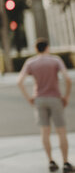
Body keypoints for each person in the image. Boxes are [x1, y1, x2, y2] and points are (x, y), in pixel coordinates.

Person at [18, 38, 74, 172]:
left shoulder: (31, 62)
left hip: (39, 99)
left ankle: (51, 161)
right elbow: (67, 79)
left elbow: (19, 81)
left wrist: (29, 98)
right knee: (61, 131)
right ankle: (66, 163)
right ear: (47, 48)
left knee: (45, 132)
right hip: (55, 98)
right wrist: (66, 96)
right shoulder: (55, 60)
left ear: (36, 49)